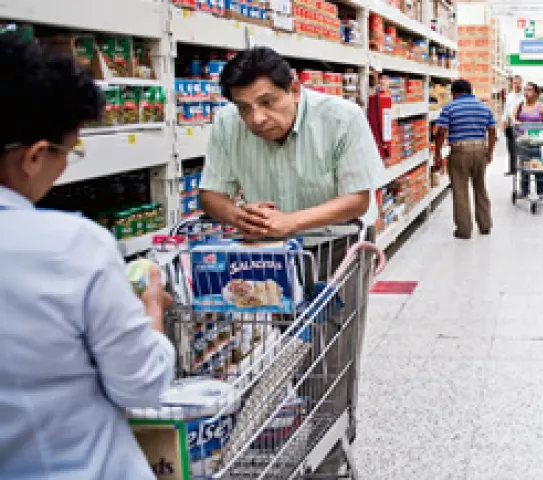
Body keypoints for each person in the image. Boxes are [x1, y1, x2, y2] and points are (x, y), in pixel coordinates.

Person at [198, 46, 387, 473]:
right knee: (296, 352)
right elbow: (210, 193)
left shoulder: (341, 118)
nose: (256, 119)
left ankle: (330, 457)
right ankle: (314, 425)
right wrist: (235, 213)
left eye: (267, 103)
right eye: (245, 108)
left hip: (337, 246)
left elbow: (358, 198)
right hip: (271, 254)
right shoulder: (228, 124)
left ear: (295, 89)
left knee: (333, 355)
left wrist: (291, 222)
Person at [0, 34, 175, 478]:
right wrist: (151, 308)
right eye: (69, 152)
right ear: (35, 156)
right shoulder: (70, 245)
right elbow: (141, 385)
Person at [434, 79, 497, 239]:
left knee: (460, 190)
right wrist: (489, 152)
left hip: (460, 151)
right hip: (480, 149)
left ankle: (464, 230)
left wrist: (437, 154)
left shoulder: (450, 107)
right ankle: (485, 225)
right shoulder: (484, 107)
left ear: (454, 93)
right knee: (480, 187)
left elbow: (441, 131)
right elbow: (492, 131)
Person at [512, 81, 543, 198]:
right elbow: (513, 118)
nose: (526, 92)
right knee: (524, 167)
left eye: (529, 90)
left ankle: (540, 190)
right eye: (525, 90)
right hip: (523, 142)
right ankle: (524, 190)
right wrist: (515, 122)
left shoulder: (541, 106)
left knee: (539, 166)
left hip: (538, 142)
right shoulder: (519, 106)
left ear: (536, 93)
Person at [501, 75, 524, 176]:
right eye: (515, 83)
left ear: (521, 83)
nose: (516, 85)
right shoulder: (509, 96)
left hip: (522, 125)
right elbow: (506, 111)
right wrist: (503, 122)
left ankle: (523, 167)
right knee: (511, 148)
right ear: (512, 84)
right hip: (510, 125)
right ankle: (512, 169)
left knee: (522, 148)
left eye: (518, 83)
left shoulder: (524, 96)